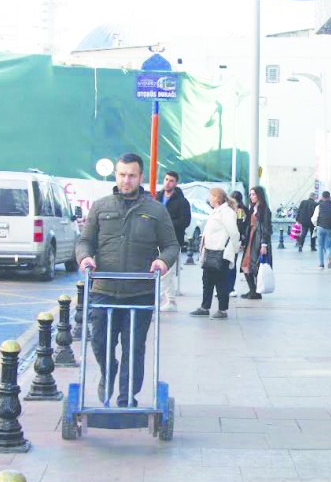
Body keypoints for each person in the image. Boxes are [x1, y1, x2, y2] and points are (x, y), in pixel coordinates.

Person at [76, 153, 180, 408]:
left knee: (134, 349)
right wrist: (85, 258)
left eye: (132, 175)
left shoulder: (155, 210)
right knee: (100, 342)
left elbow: (171, 246)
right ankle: (108, 371)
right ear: (116, 175)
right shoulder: (101, 207)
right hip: (104, 289)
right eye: (122, 175)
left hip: (139, 292)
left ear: (140, 177)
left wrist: (162, 262)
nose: (126, 180)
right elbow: (85, 241)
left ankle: (126, 398)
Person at [190, 188, 241, 320]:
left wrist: (234, 250)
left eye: (210, 196)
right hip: (210, 251)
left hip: (220, 253)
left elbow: (234, 233)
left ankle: (222, 310)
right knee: (207, 281)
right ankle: (204, 307)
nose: (209, 198)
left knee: (221, 282)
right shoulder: (216, 212)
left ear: (216, 197)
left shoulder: (227, 212)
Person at [156, 171, 191, 312]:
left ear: (175, 183)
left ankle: (156, 299)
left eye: (171, 180)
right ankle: (170, 301)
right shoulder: (157, 197)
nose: (167, 182)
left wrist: (168, 224)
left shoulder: (182, 201)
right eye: (166, 179)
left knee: (166, 271)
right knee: (165, 272)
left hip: (173, 241)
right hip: (156, 239)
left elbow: (185, 221)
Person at [241, 186, 273, 299]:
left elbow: (266, 228)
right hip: (251, 238)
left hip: (258, 239)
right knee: (246, 264)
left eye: (253, 194)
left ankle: (256, 291)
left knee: (255, 265)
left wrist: (264, 244)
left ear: (259, 195)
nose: (251, 196)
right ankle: (252, 290)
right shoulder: (252, 208)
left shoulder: (264, 210)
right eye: (250, 194)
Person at [310, 191, 331, 269]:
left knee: (320, 246)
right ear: (329, 197)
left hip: (320, 227)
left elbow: (314, 219)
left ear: (322, 197)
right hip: (330, 228)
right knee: (328, 246)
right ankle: (329, 259)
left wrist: (316, 225)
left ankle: (321, 264)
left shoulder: (319, 206)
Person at [226, 190, 248, 297]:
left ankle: (229, 287)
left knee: (230, 264)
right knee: (230, 264)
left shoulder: (239, 210)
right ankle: (228, 287)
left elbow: (239, 225)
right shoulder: (238, 210)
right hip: (233, 239)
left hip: (233, 239)